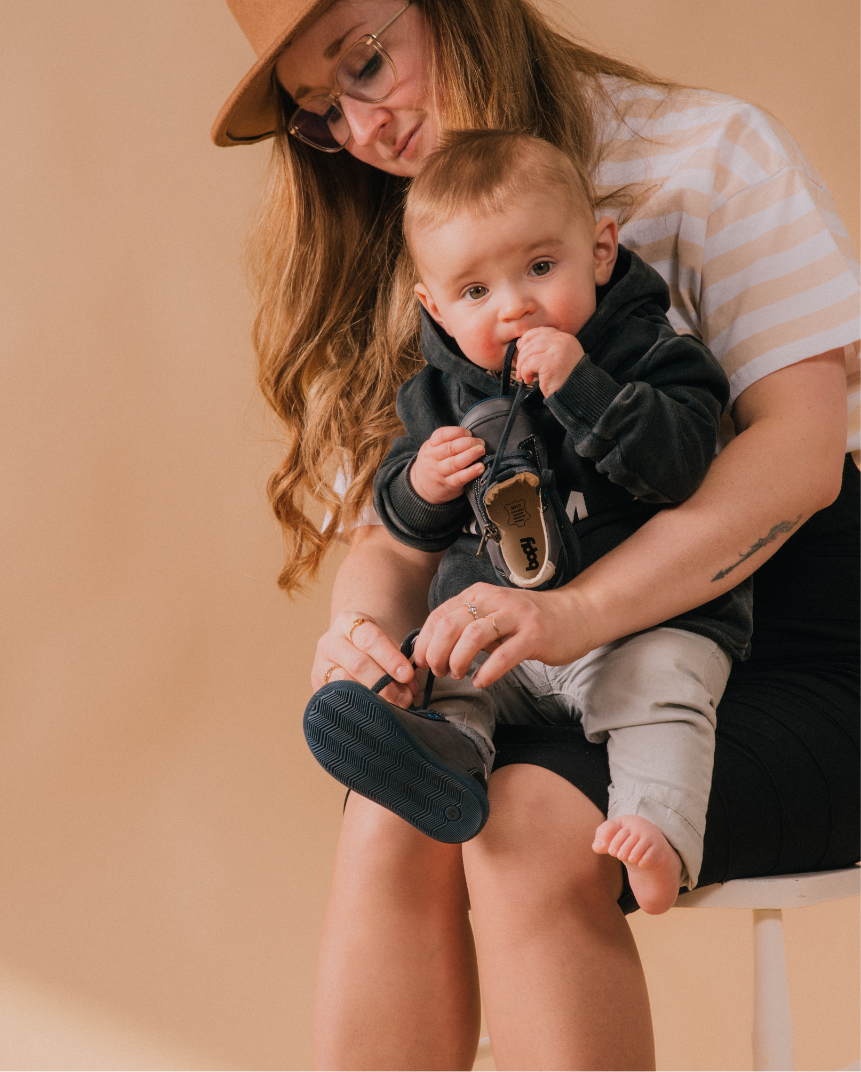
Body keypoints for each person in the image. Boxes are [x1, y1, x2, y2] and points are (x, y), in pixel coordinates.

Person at [212, 1, 861, 1068]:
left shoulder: (703, 156)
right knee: (390, 817)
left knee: (523, 823)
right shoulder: (410, 250)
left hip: (789, 645)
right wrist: (362, 636)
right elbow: (393, 536)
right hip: (546, 658)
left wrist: (573, 612)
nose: (363, 128)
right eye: (321, 114)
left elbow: (796, 461)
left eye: (366, 62)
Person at [330, 128, 749, 913]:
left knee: (661, 693)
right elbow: (400, 525)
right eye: (475, 292)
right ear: (434, 306)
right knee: (439, 663)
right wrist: (421, 483)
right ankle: (449, 753)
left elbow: (681, 464)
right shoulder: (434, 399)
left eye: (540, 268)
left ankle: (656, 833)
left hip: (635, 626)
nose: (515, 303)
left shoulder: (647, 352)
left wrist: (584, 387)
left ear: (599, 250)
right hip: (505, 646)